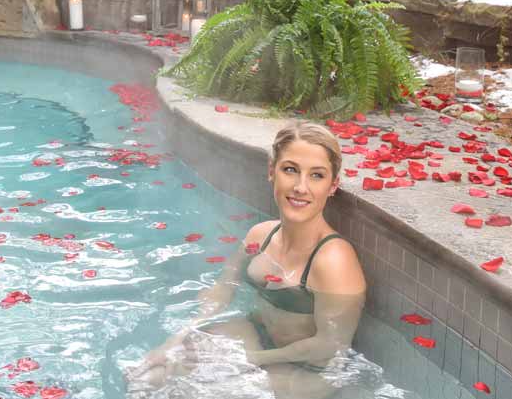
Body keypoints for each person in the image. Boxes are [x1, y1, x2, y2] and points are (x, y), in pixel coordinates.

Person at [126, 121, 368, 399]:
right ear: (271, 171)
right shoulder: (260, 236)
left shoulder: (333, 260)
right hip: (259, 341)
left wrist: (248, 360)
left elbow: (330, 345)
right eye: (290, 170)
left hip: (306, 372)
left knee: (198, 391)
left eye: (316, 175)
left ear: (333, 185)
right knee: (149, 375)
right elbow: (222, 290)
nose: (301, 187)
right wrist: (173, 342)